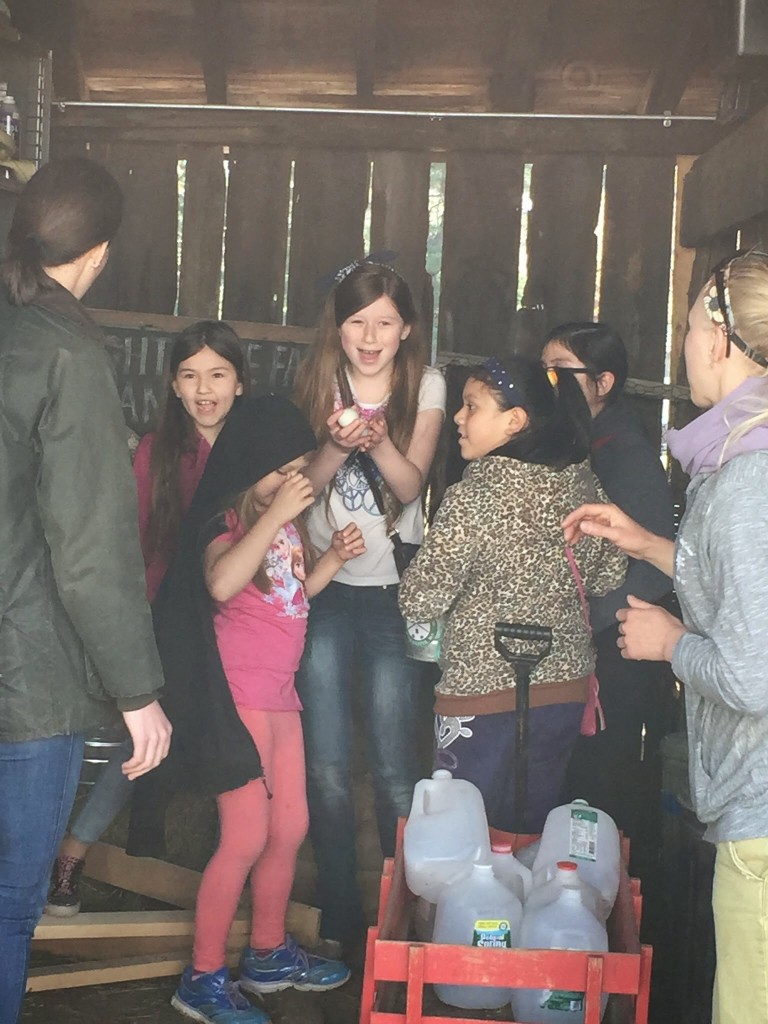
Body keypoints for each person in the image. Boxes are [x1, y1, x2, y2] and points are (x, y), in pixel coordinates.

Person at [562, 250, 768, 1024]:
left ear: (719, 340)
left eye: (687, 328)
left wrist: (671, 642)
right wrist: (647, 544)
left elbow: (753, 672)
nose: (682, 346)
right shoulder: (743, 453)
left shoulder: (750, 479)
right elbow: (743, 586)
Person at [0, 157, 172, 1024]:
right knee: (5, 906)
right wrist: (137, 691)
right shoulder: (67, 350)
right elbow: (90, 548)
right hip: (24, 681)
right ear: (98, 253)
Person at [145, 396, 362, 1024]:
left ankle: (267, 951)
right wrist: (275, 520)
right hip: (236, 701)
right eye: (282, 470)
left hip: (282, 699)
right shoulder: (225, 526)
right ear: (247, 467)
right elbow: (219, 584)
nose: (294, 481)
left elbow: (297, 597)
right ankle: (203, 975)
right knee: (245, 835)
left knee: (289, 827)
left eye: (300, 468)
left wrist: (332, 561)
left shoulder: (286, 526)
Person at [46, 320, 248, 916]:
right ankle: (70, 857)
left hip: (241, 626)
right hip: (165, 622)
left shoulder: (255, 452)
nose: (203, 388)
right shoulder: (157, 452)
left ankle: (231, 888)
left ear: (241, 382)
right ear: (173, 384)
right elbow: (131, 548)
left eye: (217, 374)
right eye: (190, 375)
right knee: (140, 746)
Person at [398, 356, 626, 833]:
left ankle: (474, 910)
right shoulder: (586, 486)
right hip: (563, 692)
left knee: (463, 842)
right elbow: (608, 576)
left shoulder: (472, 497)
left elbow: (420, 600)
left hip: (479, 698)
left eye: (471, 406)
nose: (458, 418)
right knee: (530, 835)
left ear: (515, 421)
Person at [293, 261, 446, 950]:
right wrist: (333, 442)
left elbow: (411, 486)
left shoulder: (426, 383)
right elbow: (298, 487)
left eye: (385, 321)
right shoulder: (315, 382)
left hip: (391, 594)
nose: (371, 335)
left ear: (406, 328)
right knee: (324, 764)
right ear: (339, 325)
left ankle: (400, 915)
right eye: (357, 321)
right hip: (322, 591)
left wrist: (376, 439)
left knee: (392, 764)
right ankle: (338, 913)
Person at [542, 322, 675, 835]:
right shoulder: (580, 444)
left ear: (603, 384)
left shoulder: (628, 456)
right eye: (544, 372)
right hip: (590, 640)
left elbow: (654, 568)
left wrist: (590, 623)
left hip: (615, 646)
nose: (549, 383)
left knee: (599, 784)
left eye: (562, 374)